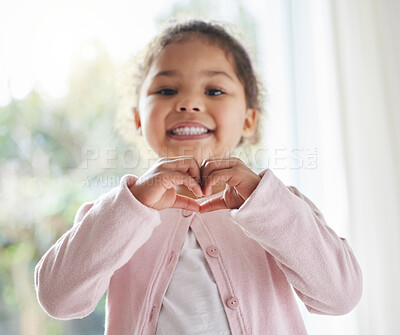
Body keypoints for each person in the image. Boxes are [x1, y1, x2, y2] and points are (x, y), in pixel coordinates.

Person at [34, 20, 362, 334]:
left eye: (215, 91)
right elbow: (59, 300)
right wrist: (133, 206)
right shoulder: (115, 215)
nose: (189, 103)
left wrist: (266, 202)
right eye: (165, 89)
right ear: (138, 119)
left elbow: (340, 297)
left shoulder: (278, 207)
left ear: (249, 120)